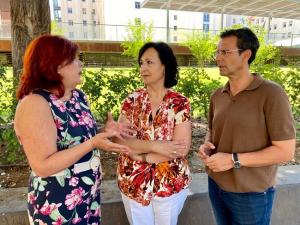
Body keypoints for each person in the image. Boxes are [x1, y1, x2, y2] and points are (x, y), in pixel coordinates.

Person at [14, 35, 132, 225]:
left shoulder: (77, 96)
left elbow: (75, 139)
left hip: (87, 196)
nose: (80, 65)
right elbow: (43, 166)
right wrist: (93, 143)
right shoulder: (35, 104)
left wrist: (104, 131)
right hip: (57, 204)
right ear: (55, 65)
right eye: (75, 59)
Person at [198, 27, 296, 225]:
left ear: (246, 55)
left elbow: (285, 152)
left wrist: (234, 160)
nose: (218, 57)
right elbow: (211, 131)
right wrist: (206, 145)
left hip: (252, 195)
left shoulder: (271, 94)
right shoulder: (218, 95)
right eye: (217, 52)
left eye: (224, 52)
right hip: (216, 184)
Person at [114, 42, 192, 225]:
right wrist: (157, 146)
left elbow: (180, 149)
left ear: (164, 65)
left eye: (149, 62)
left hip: (169, 184)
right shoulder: (131, 101)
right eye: (141, 63)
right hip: (132, 182)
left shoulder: (179, 103)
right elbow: (121, 139)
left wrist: (140, 155)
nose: (143, 68)